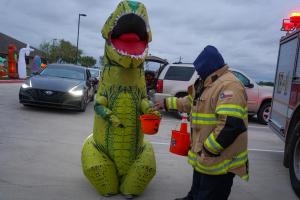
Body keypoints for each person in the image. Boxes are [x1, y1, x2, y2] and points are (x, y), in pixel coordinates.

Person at [164, 45, 249, 200]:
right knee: (198, 190)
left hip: (218, 158)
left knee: (209, 194)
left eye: (200, 69)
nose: (198, 73)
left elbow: (230, 125)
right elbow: (190, 102)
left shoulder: (229, 85)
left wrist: (208, 149)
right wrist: (166, 103)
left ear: (209, 67)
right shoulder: (207, 83)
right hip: (204, 155)